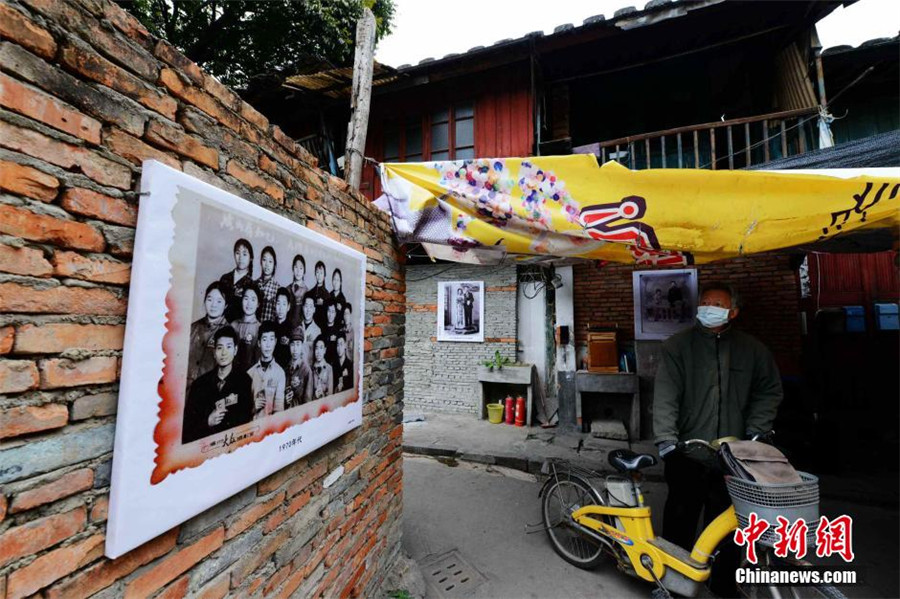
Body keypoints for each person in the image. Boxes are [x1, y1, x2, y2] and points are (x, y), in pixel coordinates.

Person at [653, 282, 782, 596]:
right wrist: (667, 439)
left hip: (733, 457)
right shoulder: (677, 347)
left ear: (733, 311)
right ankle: (671, 583)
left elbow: (768, 391)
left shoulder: (753, 350)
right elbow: (666, 395)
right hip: (687, 452)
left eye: (717, 303)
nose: (708, 308)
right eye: (705, 302)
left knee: (726, 527)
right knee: (679, 521)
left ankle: (723, 586)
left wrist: (756, 430)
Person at [182, 326, 253, 444]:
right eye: (220, 348)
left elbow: (245, 423)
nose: (224, 353)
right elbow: (187, 427)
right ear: (214, 352)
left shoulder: (244, 381)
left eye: (229, 347)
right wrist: (207, 421)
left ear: (235, 350)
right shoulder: (199, 384)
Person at [187, 281, 229, 389]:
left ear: (226, 305)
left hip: (209, 392)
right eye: (210, 299)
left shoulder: (229, 333)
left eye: (219, 301)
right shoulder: (192, 328)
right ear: (205, 301)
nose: (214, 305)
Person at [248, 321, 286, 419]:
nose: (268, 345)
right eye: (264, 340)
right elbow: (243, 409)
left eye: (271, 339)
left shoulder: (280, 373)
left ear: (275, 342)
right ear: (259, 343)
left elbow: (279, 409)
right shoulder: (250, 373)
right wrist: (253, 407)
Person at [219, 239, 254, 322]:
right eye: (238, 253)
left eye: (244, 254)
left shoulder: (252, 285)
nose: (241, 257)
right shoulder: (225, 278)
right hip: (219, 325)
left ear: (251, 258)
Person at [230, 284, 261, 373]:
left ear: (258, 304)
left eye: (253, 299)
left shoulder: (259, 328)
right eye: (246, 298)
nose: (249, 303)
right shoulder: (233, 325)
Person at [285, 327, 313, 408]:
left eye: (298, 344)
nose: (295, 349)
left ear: (302, 346)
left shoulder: (306, 371)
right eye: (292, 344)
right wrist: (285, 400)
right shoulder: (286, 369)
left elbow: (308, 402)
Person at [256, 246, 280, 323]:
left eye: (270, 261)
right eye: (264, 260)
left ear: (274, 265)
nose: (267, 265)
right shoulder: (254, 284)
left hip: (268, 331)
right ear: (260, 262)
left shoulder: (277, 288)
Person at [272, 287, 294, 370]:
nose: (280, 308)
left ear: (288, 307)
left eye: (284, 304)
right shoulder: (271, 326)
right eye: (278, 303)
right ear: (275, 305)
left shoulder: (292, 329)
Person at [305, 260, 330, 329]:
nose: (319, 275)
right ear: (315, 274)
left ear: (324, 275)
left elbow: (329, 313)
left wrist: (324, 303)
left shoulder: (327, 295)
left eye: (321, 273)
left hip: (322, 327)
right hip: (310, 326)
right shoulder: (310, 292)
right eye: (317, 272)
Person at [298, 295, 321, 368]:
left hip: (310, 369)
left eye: (310, 307)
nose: (308, 310)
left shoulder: (317, 331)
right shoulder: (297, 328)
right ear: (302, 307)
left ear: (314, 309)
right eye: (306, 306)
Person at [288, 254, 309, 327]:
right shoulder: (288, 289)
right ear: (292, 269)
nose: (298, 271)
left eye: (301, 268)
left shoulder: (307, 292)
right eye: (296, 267)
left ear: (304, 271)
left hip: (300, 329)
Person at [311, 335, 333, 400]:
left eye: (321, 348)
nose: (318, 352)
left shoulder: (329, 368)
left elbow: (330, 393)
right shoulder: (311, 369)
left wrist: (322, 396)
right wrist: (315, 395)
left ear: (324, 350)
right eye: (316, 348)